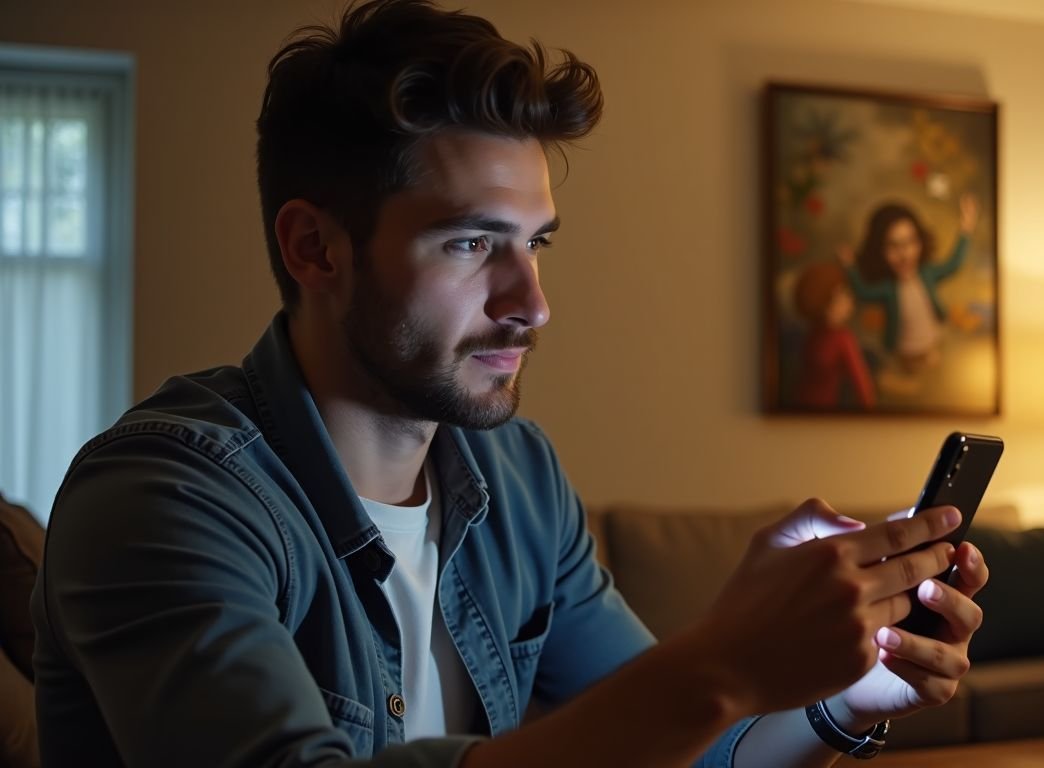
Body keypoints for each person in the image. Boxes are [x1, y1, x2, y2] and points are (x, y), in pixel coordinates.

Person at [30, 2, 988, 766]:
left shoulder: (515, 477)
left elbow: (678, 750)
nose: (531, 302)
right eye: (472, 242)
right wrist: (722, 662)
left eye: (533, 244)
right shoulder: (163, 493)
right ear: (313, 247)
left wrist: (836, 699)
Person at [840, 195, 978, 373]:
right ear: (879, 250)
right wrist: (850, 267)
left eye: (911, 241)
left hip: (932, 342)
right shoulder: (888, 289)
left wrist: (966, 229)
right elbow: (862, 292)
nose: (904, 254)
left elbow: (953, 264)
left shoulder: (927, 274)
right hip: (905, 351)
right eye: (893, 246)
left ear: (920, 241)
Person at [791, 261, 875, 410]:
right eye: (841, 296)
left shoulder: (843, 338)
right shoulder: (818, 333)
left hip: (823, 414)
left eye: (846, 295)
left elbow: (862, 385)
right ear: (825, 303)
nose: (849, 301)